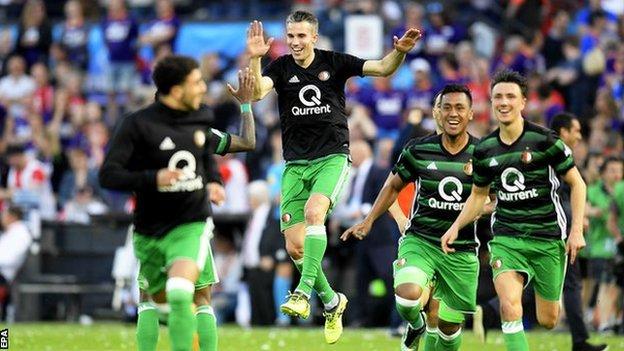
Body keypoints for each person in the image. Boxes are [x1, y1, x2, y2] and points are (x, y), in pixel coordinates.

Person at [246, 10, 422, 344]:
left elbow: (382, 67)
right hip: (295, 165)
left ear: (314, 36)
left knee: (315, 213)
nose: (296, 42)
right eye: (291, 36)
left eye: (302, 36)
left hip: (331, 157)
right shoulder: (280, 67)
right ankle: (331, 300)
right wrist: (256, 59)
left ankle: (301, 293)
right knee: (295, 247)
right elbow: (255, 93)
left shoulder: (335, 62)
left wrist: (399, 51)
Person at [99, 55, 256, 351]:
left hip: (191, 224)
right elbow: (109, 175)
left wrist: (214, 182)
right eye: (196, 83)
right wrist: (153, 179)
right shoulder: (137, 126)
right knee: (157, 299)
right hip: (152, 228)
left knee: (186, 294)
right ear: (175, 91)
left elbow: (226, 151)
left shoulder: (201, 120)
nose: (203, 89)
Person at [441, 70, 586, 351]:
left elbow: (577, 184)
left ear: (523, 102)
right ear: (491, 102)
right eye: (497, 97)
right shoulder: (484, 150)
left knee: (548, 320)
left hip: (547, 238)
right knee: (509, 306)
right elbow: (477, 197)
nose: (503, 102)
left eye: (510, 96)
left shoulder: (546, 140)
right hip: (506, 238)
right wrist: (455, 226)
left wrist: (576, 230)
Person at [343, 84, 480, 351]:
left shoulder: (484, 153)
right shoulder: (418, 149)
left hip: (461, 249)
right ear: (437, 112)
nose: (453, 113)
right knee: (407, 298)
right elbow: (392, 187)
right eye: (447, 107)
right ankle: (414, 326)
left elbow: (492, 199)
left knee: (447, 329)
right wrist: (369, 220)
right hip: (421, 241)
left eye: (460, 107)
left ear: (471, 114)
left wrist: (478, 210)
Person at [551, 112, 608, 351]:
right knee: (570, 283)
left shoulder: (546, 151)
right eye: (575, 130)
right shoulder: (556, 154)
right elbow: (559, 194)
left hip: (553, 225)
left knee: (559, 282)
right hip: (559, 228)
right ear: (563, 132)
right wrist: (576, 219)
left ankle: (580, 340)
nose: (579, 135)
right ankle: (580, 341)